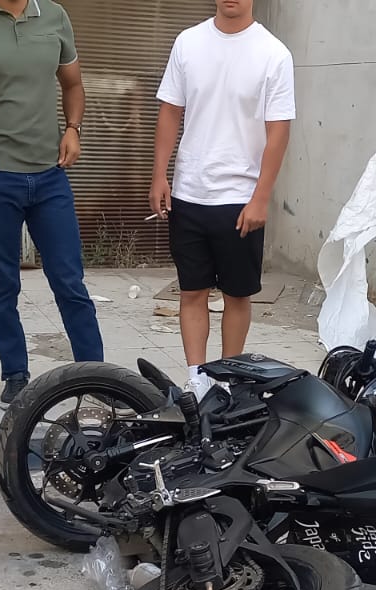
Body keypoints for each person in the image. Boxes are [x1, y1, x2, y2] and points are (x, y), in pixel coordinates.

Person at [0, 0, 104, 407]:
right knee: (1, 285)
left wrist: (73, 128)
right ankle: (15, 373)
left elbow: (73, 84)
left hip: (50, 174)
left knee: (70, 281)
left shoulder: (54, 15)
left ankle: (95, 374)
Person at [149, 0, 293, 397]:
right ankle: (197, 380)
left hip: (240, 198)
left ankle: (229, 381)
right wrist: (160, 175)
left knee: (237, 295)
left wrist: (261, 197)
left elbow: (279, 131)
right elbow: (170, 112)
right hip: (189, 192)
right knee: (192, 291)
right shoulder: (188, 42)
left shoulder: (274, 54)